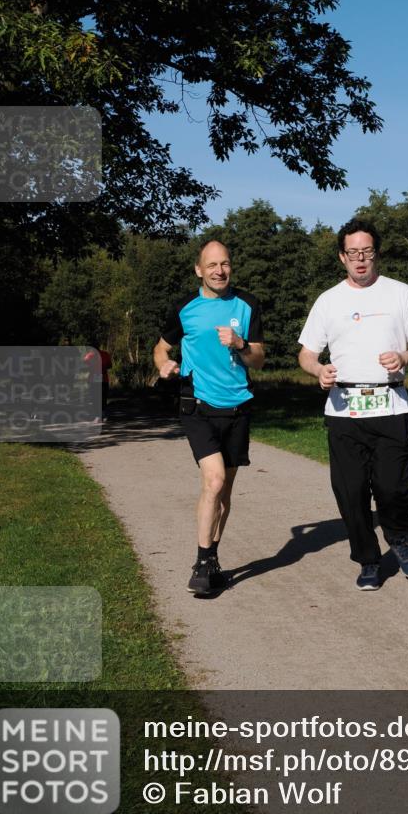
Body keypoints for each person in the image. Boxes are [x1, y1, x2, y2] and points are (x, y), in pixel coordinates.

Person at [298, 218, 408, 590]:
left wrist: (404, 357)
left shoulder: (400, 293)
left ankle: (401, 540)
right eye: (353, 253)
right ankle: (368, 560)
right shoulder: (329, 300)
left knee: (393, 489)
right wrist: (318, 371)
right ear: (342, 257)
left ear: (377, 254)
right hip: (343, 409)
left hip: (391, 407)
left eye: (367, 252)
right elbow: (306, 353)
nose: (361, 260)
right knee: (351, 490)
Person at [153, 241, 265, 595]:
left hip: (237, 407)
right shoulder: (185, 308)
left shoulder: (247, 305)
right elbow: (161, 347)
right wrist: (163, 365)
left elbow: (259, 359)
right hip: (197, 405)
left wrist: (241, 344)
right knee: (213, 481)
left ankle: (212, 555)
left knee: (225, 491)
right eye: (212, 265)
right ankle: (202, 563)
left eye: (225, 264)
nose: (220, 270)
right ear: (198, 270)